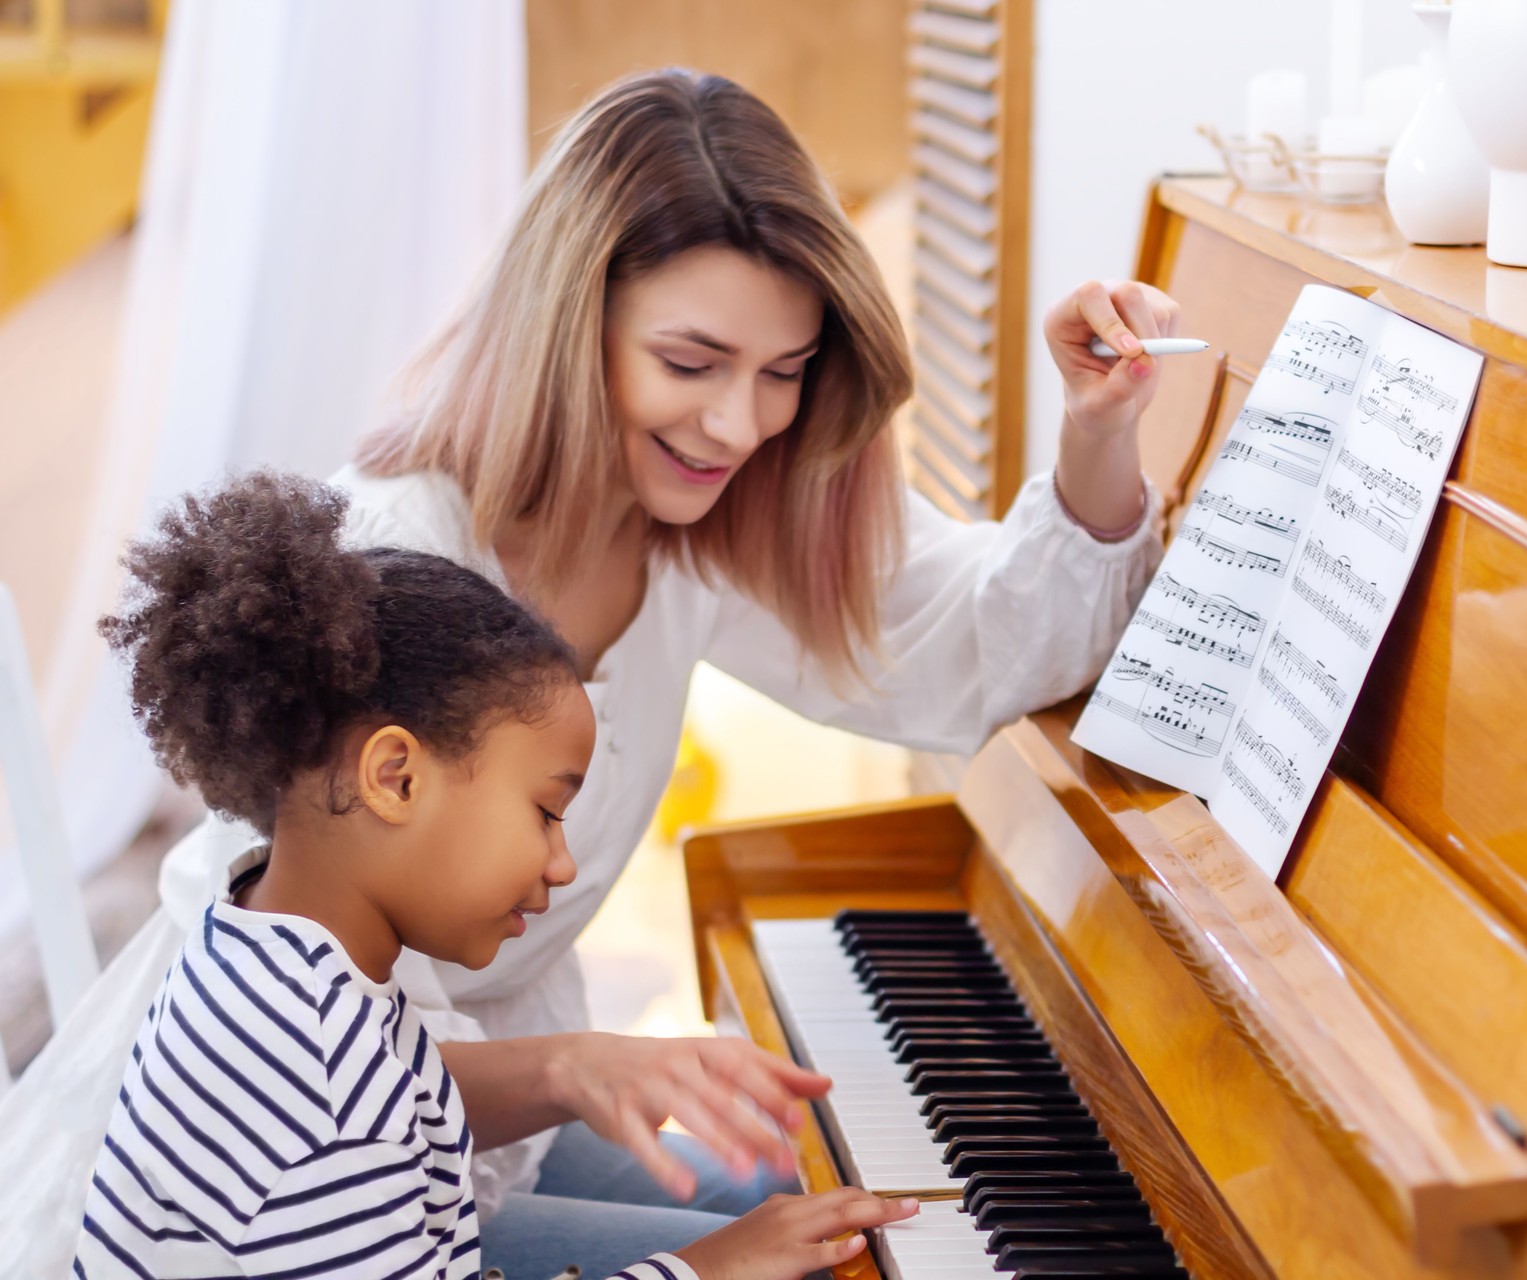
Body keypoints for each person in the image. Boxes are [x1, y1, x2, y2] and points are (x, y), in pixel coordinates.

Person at [154, 68, 1175, 1272]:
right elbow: (284, 1036)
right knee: (793, 1245)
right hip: (341, 1177)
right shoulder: (399, 567)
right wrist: (585, 1070)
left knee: (816, 1190)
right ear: (567, 322)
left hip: (490, 1125)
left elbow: (984, 650)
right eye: (692, 361)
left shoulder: (707, 527)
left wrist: (1099, 434)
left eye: (784, 371)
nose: (740, 426)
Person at [76, 470, 918, 1279]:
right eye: (546, 812)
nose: (563, 861)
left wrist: (581, 1069)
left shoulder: (269, 944)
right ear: (395, 777)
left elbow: (407, 1102)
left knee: (796, 1214)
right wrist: (701, 1269)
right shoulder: (325, 1099)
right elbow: (364, 1125)